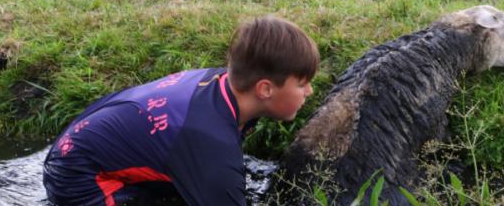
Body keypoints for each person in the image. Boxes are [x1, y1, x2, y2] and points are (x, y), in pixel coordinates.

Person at [42, 16, 318, 206]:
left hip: (93, 138)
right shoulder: (210, 143)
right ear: (265, 89)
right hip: (80, 176)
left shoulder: (227, 84)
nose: (310, 92)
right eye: (303, 84)